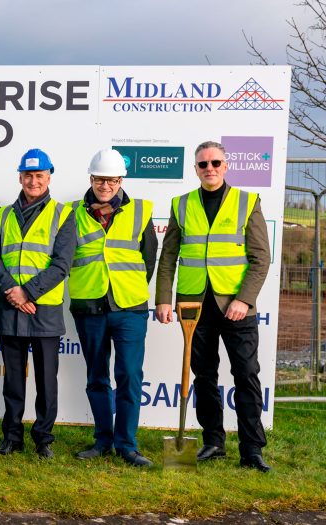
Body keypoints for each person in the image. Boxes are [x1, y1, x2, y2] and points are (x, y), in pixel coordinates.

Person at [156, 140, 272, 472]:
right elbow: (168, 258)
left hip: (236, 306)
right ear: (195, 169)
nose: (210, 169)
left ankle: (252, 449)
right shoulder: (181, 205)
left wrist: (244, 299)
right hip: (194, 304)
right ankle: (213, 442)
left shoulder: (247, 202)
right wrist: (164, 299)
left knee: (246, 374)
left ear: (226, 165)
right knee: (203, 376)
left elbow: (260, 258)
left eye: (216, 163)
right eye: (203, 164)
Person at [68, 149, 158, 467]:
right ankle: (103, 440)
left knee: (130, 376)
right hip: (88, 305)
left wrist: (130, 289)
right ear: (91, 178)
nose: (105, 185)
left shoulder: (141, 211)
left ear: (120, 180)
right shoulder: (71, 212)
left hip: (129, 307)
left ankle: (127, 445)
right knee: (96, 377)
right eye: (99, 179)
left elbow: (149, 258)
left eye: (111, 179)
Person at [0, 148, 76, 459]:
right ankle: (11, 438)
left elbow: (61, 264)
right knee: (13, 381)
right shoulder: (2, 214)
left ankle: (43, 439)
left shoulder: (64, 215)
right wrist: (13, 290)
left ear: (49, 176)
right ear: (20, 177)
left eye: (39, 175)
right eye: (28, 175)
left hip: (44, 310)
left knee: (46, 382)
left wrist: (28, 292)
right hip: (10, 308)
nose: (33, 181)